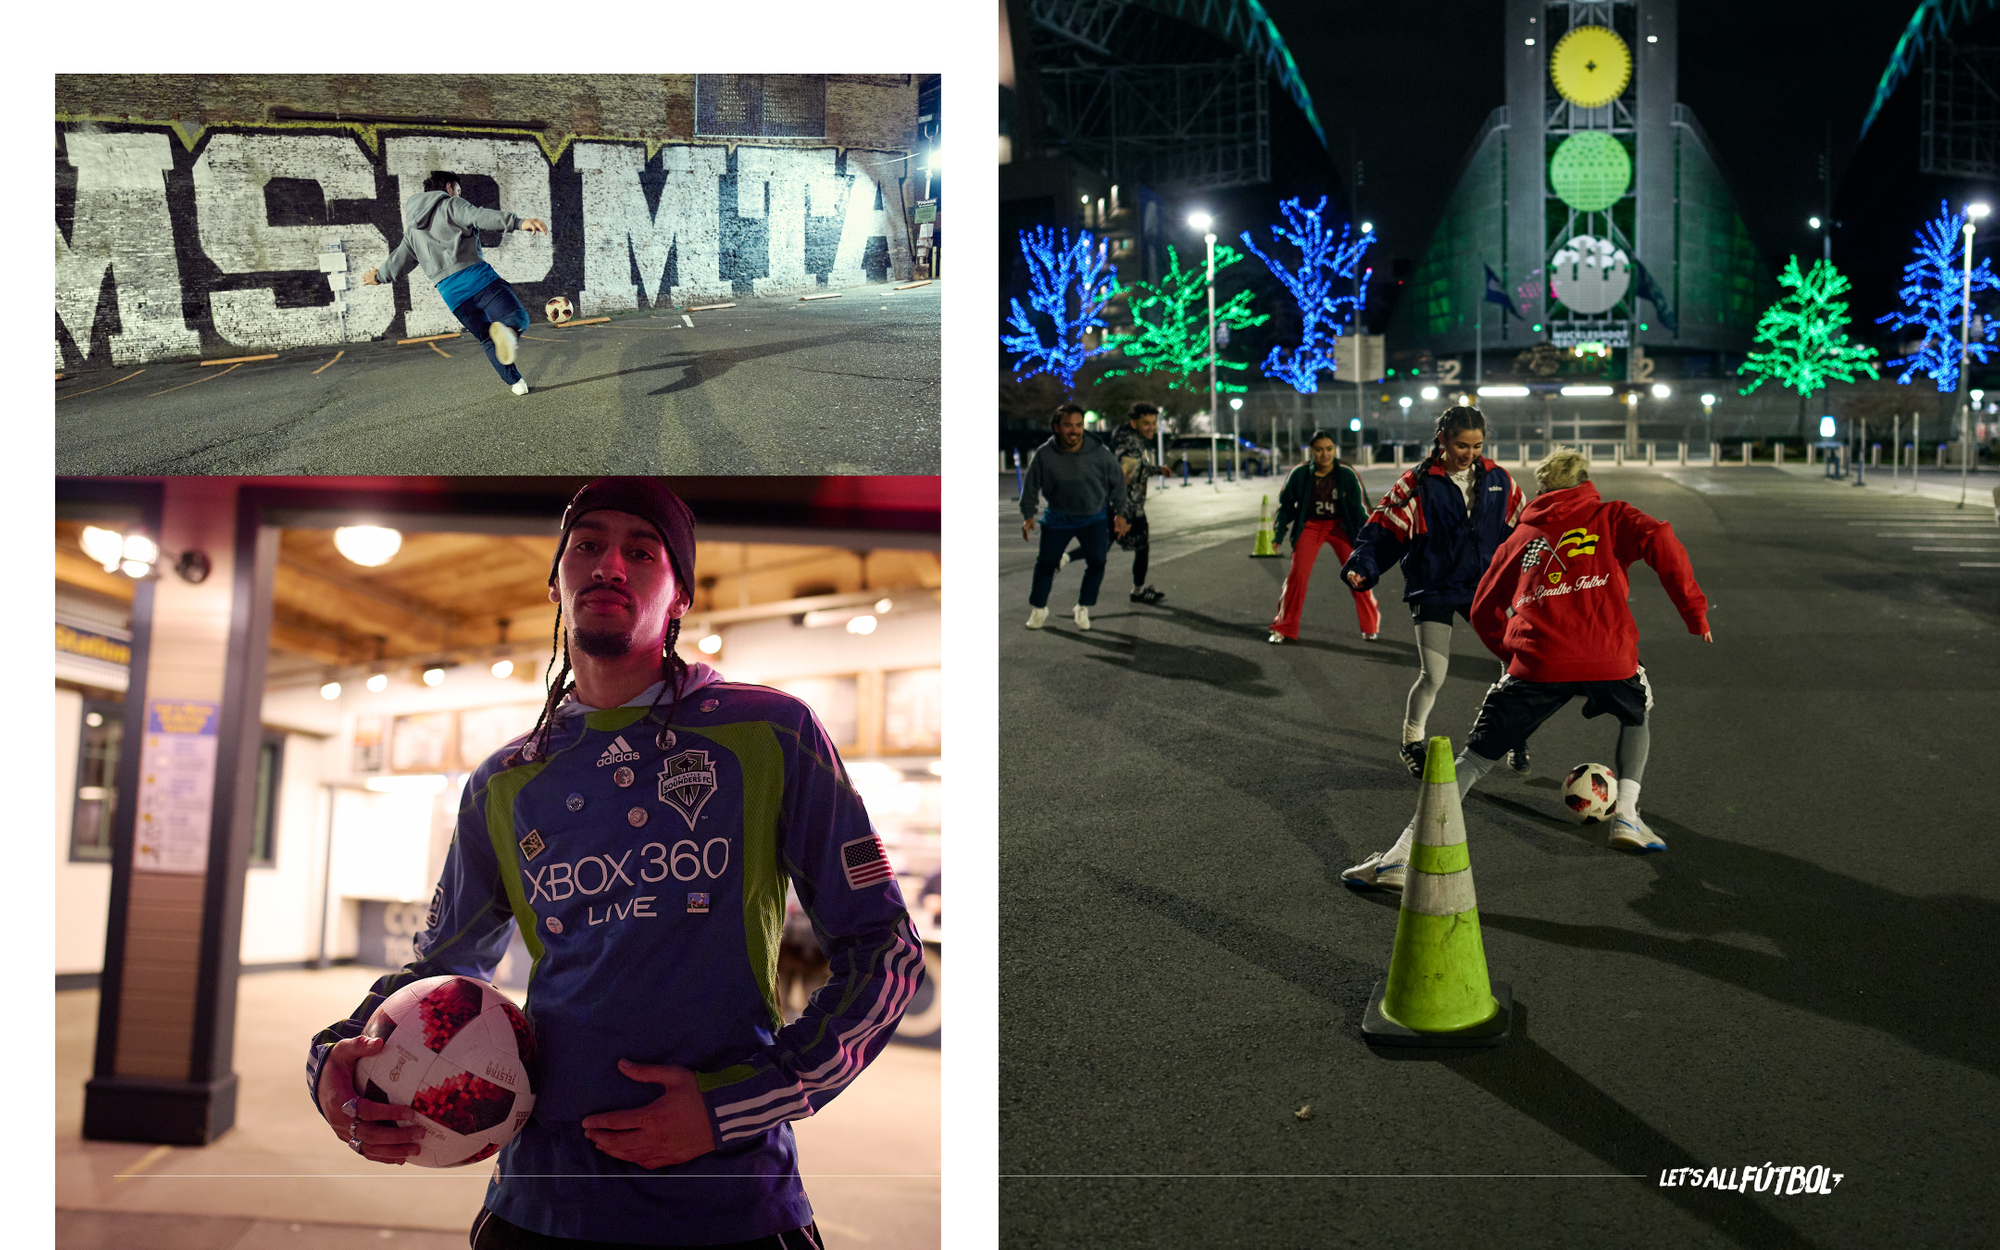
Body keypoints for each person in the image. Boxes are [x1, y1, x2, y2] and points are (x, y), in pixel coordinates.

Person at [306, 478, 923, 1249]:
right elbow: (441, 967)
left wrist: (736, 1104)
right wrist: (335, 1056)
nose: (609, 566)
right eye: (588, 545)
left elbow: (886, 949)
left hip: (730, 1202)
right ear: (558, 581)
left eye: (643, 552)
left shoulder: (769, 732)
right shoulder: (506, 780)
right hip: (542, 1202)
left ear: (681, 595)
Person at [1341, 447, 1713, 891]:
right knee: (1636, 712)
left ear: (1542, 489)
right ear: (1585, 481)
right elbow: (1661, 539)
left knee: (1474, 760)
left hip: (1538, 661)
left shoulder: (1522, 536)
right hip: (1609, 656)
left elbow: (1482, 607)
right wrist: (1694, 612)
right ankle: (1628, 816)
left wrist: (1512, 652)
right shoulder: (1612, 516)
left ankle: (1401, 857)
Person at [1341, 406, 1527, 777]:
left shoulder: (1499, 479)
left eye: (1477, 446)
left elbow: (1525, 526)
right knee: (1434, 675)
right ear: (1442, 439)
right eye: (1461, 445)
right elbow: (1384, 530)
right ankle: (1411, 742)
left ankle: (1511, 732)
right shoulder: (1417, 483)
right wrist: (1363, 566)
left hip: (1484, 589)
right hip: (1434, 587)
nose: (1470, 454)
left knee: (1515, 662)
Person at [362, 171, 550, 397]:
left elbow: (400, 260)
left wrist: (379, 276)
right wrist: (518, 223)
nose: (459, 195)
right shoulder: (451, 204)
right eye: (458, 191)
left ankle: (516, 383)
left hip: (452, 296)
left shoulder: (413, 230)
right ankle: (509, 334)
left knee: (486, 338)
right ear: (449, 187)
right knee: (517, 318)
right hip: (478, 279)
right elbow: (480, 216)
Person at [1021, 403, 1129, 630]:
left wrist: (1120, 513)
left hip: (1093, 517)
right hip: (1057, 518)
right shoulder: (1044, 454)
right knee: (1046, 565)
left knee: (1097, 562)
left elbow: (1118, 482)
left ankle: (1083, 606)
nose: (1074, 430)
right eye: (1068, 425)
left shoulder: (1099, 453)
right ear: (1056, 427)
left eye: (1079, 425)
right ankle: (1039, 609)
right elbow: (1031, 485)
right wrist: (1028, 514)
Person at [1267, 430, 1381, 644]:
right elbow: (1286, 506)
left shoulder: (1346, 474)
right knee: (1297, 576)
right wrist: (1279, 534)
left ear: (1335, 450)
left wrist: (1370, 538)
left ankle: (1370, 626)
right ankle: (1283, 627)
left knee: (1356, 575)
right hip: (1311, 526)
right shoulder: (1300, 474)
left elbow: (1360, 509)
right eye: (1319, 450)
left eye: (1329, 449)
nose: (1324, 454)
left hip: (1340, 527)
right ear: (1311, 451)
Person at [1061, 402, 1170, 604]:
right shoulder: (1131, 448)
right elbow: (1123, 477)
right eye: (1146, 423)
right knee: (1142, 547)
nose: (1152, 427)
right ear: (1134, 423)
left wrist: (1157, 470)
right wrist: (1122, 514)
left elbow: (1135, 470)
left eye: (1154, 423)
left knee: (1102, 544)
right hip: (1129, 506)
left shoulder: (1124, 437)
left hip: (1112, 503)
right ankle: (1138, 592)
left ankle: (1063, 559)